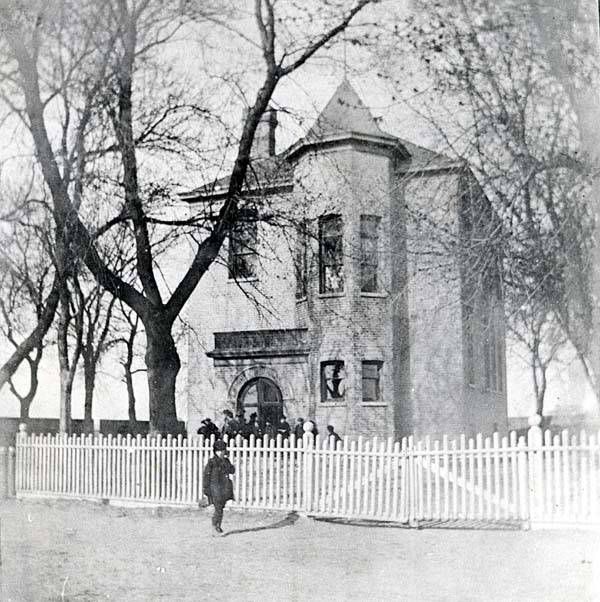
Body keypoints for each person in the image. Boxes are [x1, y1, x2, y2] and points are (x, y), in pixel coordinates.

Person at [203, 439, 235, 536]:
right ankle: (214, 528)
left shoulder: (226, 461)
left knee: (221, 507)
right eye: (219, 451)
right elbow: (206, 475)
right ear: (215, 451)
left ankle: (218, 526)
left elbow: (232, 471)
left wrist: (228, 462)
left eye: (223, 450)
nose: (221, 453)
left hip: (224, 488)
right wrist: (206, 488)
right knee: (218, 509)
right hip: (215, 488)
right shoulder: (212, 462)